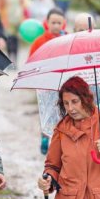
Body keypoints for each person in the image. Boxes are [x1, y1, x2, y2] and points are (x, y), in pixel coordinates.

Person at [30, 8, 67, 155]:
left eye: (59, 23)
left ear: (63, 24)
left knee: (63, 113)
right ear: (47, 23)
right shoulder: (40, 42)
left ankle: (62, 141)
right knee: (47, 113)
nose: (56, 26)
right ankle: (45, 137)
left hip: (64, 84)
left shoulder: (67, 39)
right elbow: (32, 61)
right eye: (53, 22)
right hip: (46, 84)